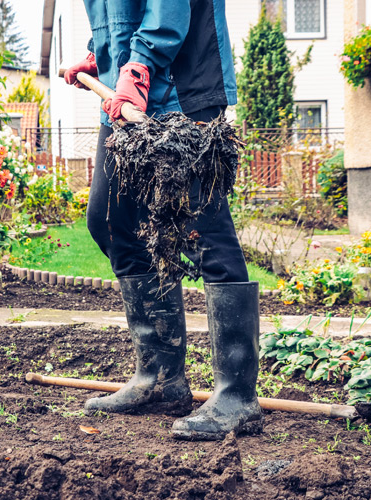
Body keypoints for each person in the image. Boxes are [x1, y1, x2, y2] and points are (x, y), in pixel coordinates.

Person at [64, 0, 263, 441]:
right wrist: (102, 54)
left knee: (202, 228)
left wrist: (137, 65)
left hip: (179, 87)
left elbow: (168, 8)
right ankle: (160, 378)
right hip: (126, 95)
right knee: (112, 221)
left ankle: (237, 395)